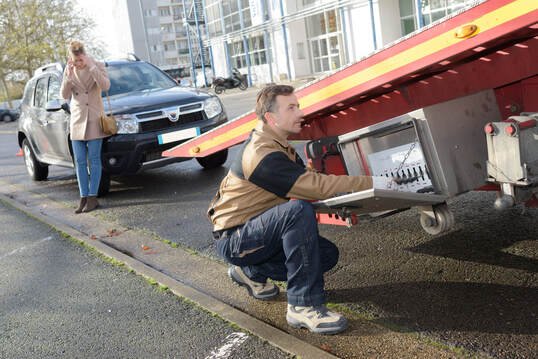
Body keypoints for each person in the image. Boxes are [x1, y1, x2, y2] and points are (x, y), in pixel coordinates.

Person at [208, 85, 395, 335]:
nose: (300, 113)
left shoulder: (278, 146)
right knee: (297, 210)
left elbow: (309, 179)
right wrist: (372, 182)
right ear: (272, 118)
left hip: (256, 233)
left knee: (325, 255)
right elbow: (314, 187)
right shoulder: (262, 154)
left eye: (298, 106)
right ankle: (302, 305)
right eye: (292, 108)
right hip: (236, 239)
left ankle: (251, 271)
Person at [60, 41, 110, 213]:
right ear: (71, 58)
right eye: (76, 60)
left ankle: (92, 197)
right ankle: (83, 197)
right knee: (80, 161)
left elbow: (105, 86)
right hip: (77, 121)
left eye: (81, 60)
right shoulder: (69, 69)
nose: (78, 63)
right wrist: (68, 78)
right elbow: (64, 95)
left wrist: (91, 67)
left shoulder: (96, 65)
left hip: (94, 119)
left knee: (94, 160)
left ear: (85, 55)